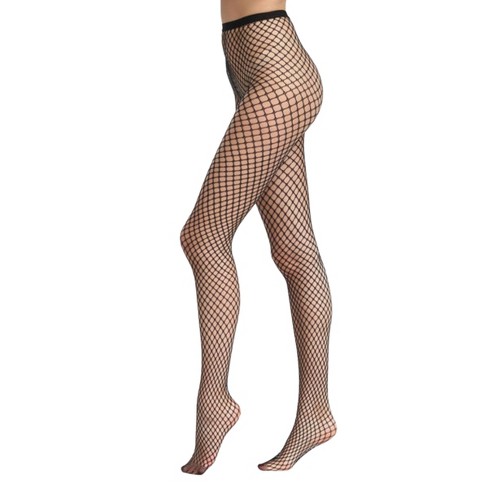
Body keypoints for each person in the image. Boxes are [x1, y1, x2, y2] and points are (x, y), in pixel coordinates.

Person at [179, 0, 337, 474]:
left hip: (278, 73)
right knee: (294, 250)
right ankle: (315, 413)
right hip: (248, 64)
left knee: (203, 236)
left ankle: (214, 398)